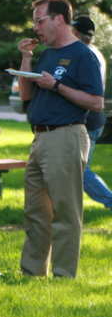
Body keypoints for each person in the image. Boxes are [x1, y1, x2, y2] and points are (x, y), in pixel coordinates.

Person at [17, 0, 103, 278]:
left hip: (67, 136)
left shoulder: (83, 55)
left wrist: (57, 86)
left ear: (59, 19)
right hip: (40, 138)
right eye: (34, 22)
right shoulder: (47, 53)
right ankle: (32, 273)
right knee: (35, 212)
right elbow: (26, 94)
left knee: (65, 211)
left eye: (40, 21)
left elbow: (95, 102)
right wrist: (26, 59)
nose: (36, 27)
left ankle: (64, 275)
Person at [70, 15, 112, 210]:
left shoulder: (86, 54)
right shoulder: (95, 52)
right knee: (76, 169)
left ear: (76, 32)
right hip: (93, 119)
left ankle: (110, 201)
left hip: (88, 119)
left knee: (79, 170)